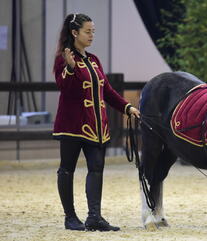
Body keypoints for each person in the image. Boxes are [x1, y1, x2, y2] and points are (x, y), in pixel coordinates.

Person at [52, 13, 140, 231]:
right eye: (87, 31)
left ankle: (94, 217)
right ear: (75, 33)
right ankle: (70, 217)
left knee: (97, 168)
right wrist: (70, 68)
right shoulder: (62, 59)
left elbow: (107, 91)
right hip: (72, 126)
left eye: (93, 31)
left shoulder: (94, 60)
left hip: (97, 127)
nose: (92, 35)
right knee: (67, 169)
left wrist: (127, 107)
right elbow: (65, 87)